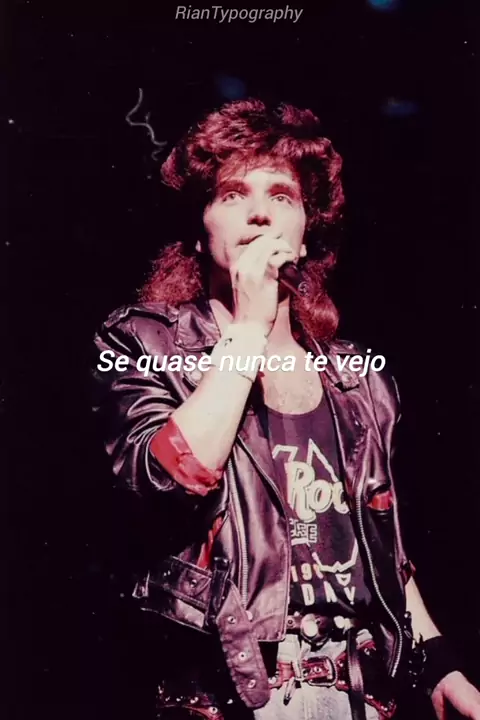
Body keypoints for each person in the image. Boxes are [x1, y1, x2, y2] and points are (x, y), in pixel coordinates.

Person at [92, 98, 480, 720]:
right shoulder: (142, 342)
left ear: (305, 228)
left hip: (359, 694)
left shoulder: (357, 379)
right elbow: (169, 477)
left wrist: (439, 664)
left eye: (282, 196)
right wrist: (248, 327)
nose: (258, 213)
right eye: (232, 194)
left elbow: (381, 549)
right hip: (229, 697)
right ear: (200, 229)